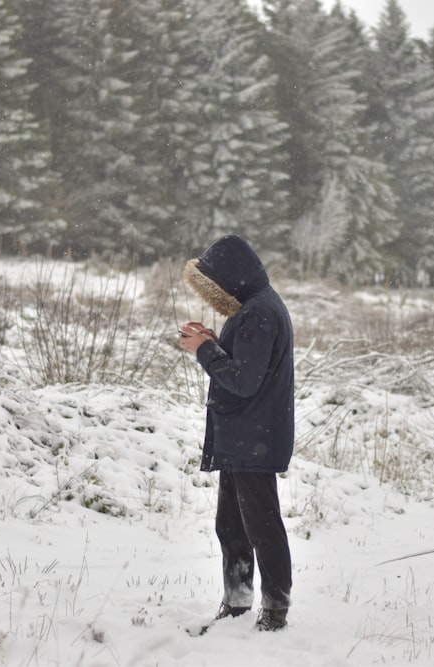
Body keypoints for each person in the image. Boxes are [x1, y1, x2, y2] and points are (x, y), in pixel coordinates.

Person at [178, 234, 294, 633]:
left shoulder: (258, 313)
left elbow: (243, 381)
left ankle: (275, 609)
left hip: (253, 439)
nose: (216, 295)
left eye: (216, 286)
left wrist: (203, 351)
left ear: (232, 279)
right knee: (231, 525)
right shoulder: (254, 308)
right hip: (246, 437)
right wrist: (212, 341)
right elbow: (247, 367)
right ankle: (237, 601)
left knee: (262, 526)